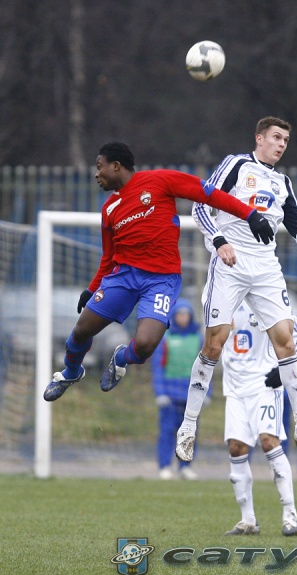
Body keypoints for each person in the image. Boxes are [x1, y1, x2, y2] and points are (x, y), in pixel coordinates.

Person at [43, 142, 274, 402]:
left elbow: (208, 194)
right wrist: (92, 288)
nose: (97, 174)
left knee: (144, 346)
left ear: (116, 166)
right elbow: (108, 257)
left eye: (100, 167)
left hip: (161, 281)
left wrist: (250, 214)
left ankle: (121, 358)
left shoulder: (160, 180)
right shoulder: (109, 209)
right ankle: (71, 372)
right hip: (124, 277)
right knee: (81, 331)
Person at [176, 116, 297, 465]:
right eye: (276, 137)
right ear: (259, 138)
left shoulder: (283, 182)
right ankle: (188, 427)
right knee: (213, 345)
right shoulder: (237, 166)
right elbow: (200, 206)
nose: (281, 144)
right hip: (231, 265)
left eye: (285, 140)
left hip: (266, 269)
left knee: (287, 343)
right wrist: (219, 241)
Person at [222, 300, 297, 537]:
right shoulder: (223, 296)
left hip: (265, 385)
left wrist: (285, 369)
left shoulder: (267, 295)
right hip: (234, 388)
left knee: (269, 441)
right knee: (236, 448)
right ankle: (248, 520)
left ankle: (290, 515)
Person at [151, 298, 210, 480]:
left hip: (191, 395)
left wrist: (207, 392)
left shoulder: (198, 339)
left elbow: (206, 367)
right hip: (170, 395)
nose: (183, 318)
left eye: (186, 314)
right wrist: (160, 392)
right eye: (180, 314)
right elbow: (158, 367)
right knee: (167, 431)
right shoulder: (166, 338)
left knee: (189, 431)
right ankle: (165, 465)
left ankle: (185, 466)